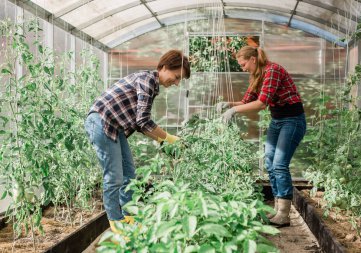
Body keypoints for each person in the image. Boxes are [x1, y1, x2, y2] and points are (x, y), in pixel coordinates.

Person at [84, 50, 190, 233]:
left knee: (129, 174)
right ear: (164, 68)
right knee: (114, 176)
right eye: (176, 76)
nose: (177, 82)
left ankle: (130, 216)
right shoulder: (147, 80)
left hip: (115, 127)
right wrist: (170, 139)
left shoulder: (151, 85)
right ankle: (116, 222)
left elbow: (140, 124)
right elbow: (143, 122)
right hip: (101, 122)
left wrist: (165, 142)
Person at [216, 46, 306, 227]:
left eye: (243, 64)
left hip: (292, 120)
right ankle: (278, 207)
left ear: (253, 59)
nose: (242, 68)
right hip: (277, 120)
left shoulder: (273, 70)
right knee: (269, 162)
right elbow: (246, 102)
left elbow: (261, 103)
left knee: (280, 164)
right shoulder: (256, 76)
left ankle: (283, 214)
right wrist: (229, 104)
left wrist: (234, 110)